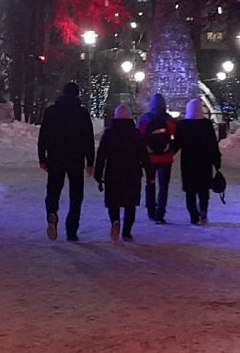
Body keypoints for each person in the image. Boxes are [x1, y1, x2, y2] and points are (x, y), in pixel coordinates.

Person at [37, 82, 95, 242]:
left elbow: (43, 137)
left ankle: (52, 212)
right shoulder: (82, 113)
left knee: (53, 190)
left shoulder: (51, 112)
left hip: (55, 157)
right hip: (76, 159)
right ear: (77, 94)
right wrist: (90, 162)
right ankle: (71, 230)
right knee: (76, 195)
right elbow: (88, 139)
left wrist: (42, 158)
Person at [94, 104, 150, 242]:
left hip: (112, 173)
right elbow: (144, 155)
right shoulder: (136, 134)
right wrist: (150, 173)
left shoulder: (109, 134)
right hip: (132, 173)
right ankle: (126, 232)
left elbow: (101, 156)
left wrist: (98, 174)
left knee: (113, 202)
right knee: (130, 204)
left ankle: (115, 221)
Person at [174, 99, 220, 225]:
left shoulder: (182, 125)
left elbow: (177, 143)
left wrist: (166, 152)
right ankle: (203, 212)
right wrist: (217, 162)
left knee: (190, 191)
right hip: (204, 162)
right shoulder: (207, 124)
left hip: (188, 162)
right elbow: (213, 145)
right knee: (203, 190)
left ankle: (193, 216)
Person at [137, 93, 178, 223]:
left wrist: (144, 153)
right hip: (166, 158)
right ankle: (160, 214)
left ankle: (151, 210)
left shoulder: (145, 119)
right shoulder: (169, 120)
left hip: (150, 158)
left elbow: (138, 138)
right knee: (164, 186)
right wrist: (171, 151)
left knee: (150, 183)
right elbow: (175, 139)